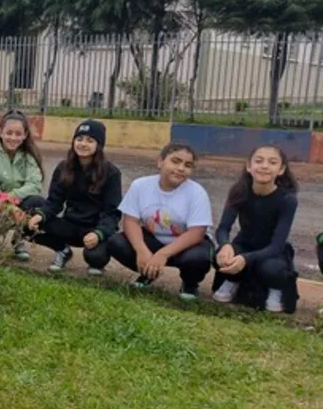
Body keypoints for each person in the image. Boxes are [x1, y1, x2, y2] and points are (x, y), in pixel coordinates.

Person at [104, 143, 215, 300]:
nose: (181, 168)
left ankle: (190, 283)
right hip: (154, 239)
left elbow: (197, 233)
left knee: (198, 258)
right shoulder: (140, 185)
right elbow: (131, 221)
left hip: (185, 245)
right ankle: (148, 273)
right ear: (160, 162)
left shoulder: (197, 192)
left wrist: (163, 254)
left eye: (188, 165)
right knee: (117, 243)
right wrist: (142, 250)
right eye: (175, 161)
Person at [211, 145, 300, 313]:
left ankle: (275, 288)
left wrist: (245, 259)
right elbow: (223, 228)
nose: (265, 166)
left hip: (272, 252)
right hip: (244, 244)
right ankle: (233, 280)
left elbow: (276, 245)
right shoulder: (238, 191)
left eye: (272, 162)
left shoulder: (287, 200)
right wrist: (225, 246)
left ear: (281, 170)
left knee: (271, 270)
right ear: (249, 166)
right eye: (259, 161)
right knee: (219, 257)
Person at [27, 120, 122, 274]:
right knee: (27, 225)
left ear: (99, 145)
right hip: (69, 224)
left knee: (96, 258)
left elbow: (112, 213)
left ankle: (96, 256)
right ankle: (62, 250)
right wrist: (40, 216)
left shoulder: (111, 173)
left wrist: (99, 234)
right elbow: (54, 202)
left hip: (93, 229)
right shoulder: (64, 167)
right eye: (79, 139)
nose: (83, 144)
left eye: (90, 140)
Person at [0, 111, 46, 260]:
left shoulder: (29, 155)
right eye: (9, 133)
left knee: (38, 203)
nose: (13, 138)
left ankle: (19, 239)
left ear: (25, 135)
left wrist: (12, 197)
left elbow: (35, 185)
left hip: (19, 202)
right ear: (1, 132)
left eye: (18, 134)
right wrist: (10, 207)